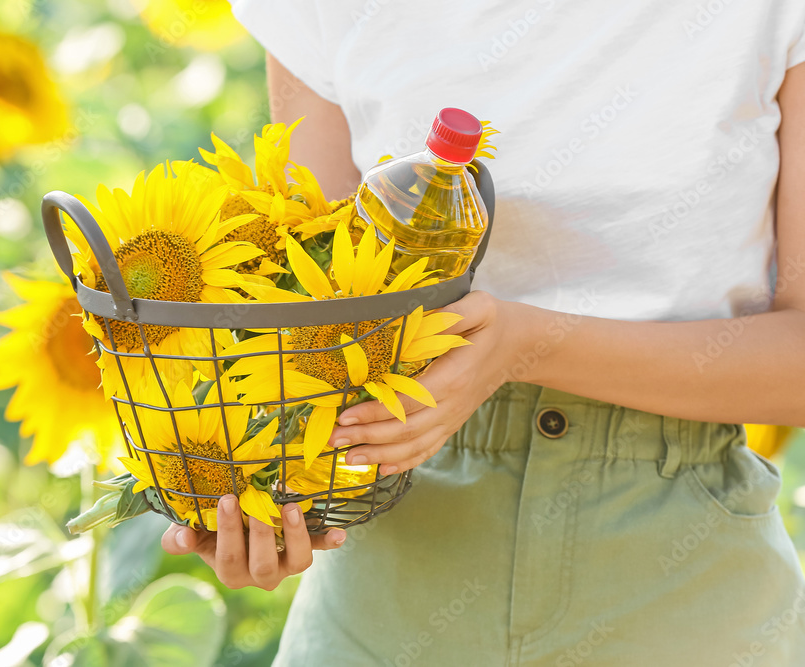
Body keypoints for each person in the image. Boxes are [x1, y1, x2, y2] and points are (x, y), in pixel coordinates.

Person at [162, 2, 805, 664]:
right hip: (387, 575)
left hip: (683, 590)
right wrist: (277, 499)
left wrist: (525, 346)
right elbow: (313, 311)